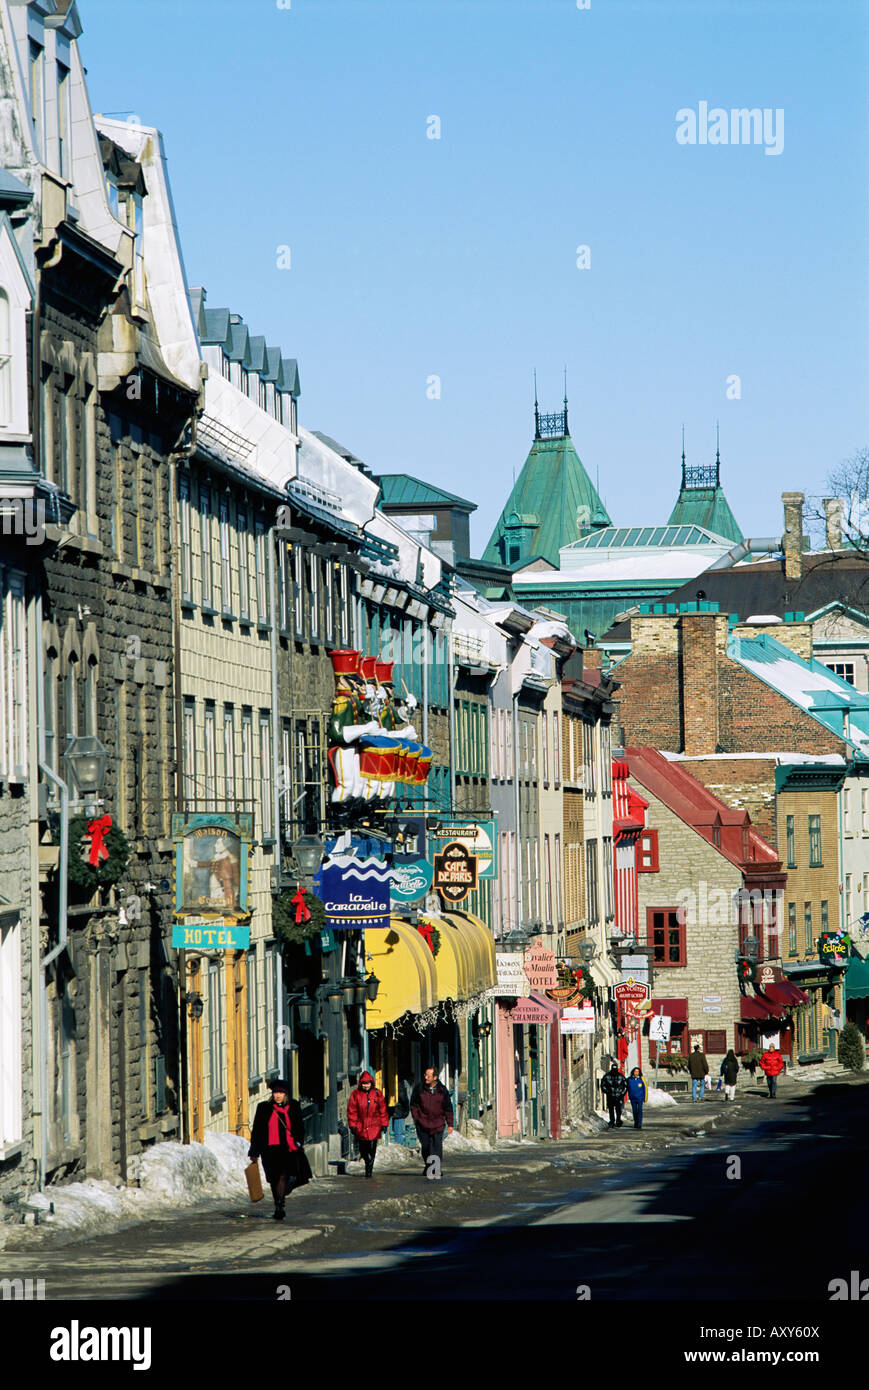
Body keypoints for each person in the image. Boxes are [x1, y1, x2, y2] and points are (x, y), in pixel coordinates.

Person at [248, 1079, 312, 1220]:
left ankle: (279, 1205)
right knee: (273, 1178)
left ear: (285, 1094)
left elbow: (299, 1127)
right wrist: (254, 1152)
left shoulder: (293, 1106)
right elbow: (257, 1131)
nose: (278, 1095)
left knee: (284, 1176)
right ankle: (278, 1203)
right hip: (269, 1149)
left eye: (281, 1093)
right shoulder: (264, 1108)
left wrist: (298, 1142)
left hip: (287, 1149)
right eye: (276, 1092)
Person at [410, 1067, 454, 1177]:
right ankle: (429, 1166)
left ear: (435, 1077)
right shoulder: (419, 1089)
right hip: (423, 1123)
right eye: (425, 1075)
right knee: (426, 1147)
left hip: (438, 1123)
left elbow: (448, 1108)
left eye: (428, 1076)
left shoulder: (442, 1091)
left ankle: (436, 1169)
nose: (426, 1078)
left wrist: (450, 1124)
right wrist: (416, 1118)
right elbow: (414, 1104)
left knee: (436, 1147)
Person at [347, 1070, 388, 1178]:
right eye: (364, 1083)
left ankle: (369, 1169)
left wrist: (384, 1124)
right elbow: (352, 1110)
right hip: (361, 1125)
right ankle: (367, 1161)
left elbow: (382, 1110)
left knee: (372, 1147)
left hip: (374, 1124)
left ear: (371, 1083)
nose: (366, 1086)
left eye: (368, 1083)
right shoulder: (355, 1094)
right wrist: (352, 1125)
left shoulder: (377, 1094)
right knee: (363, 1148)